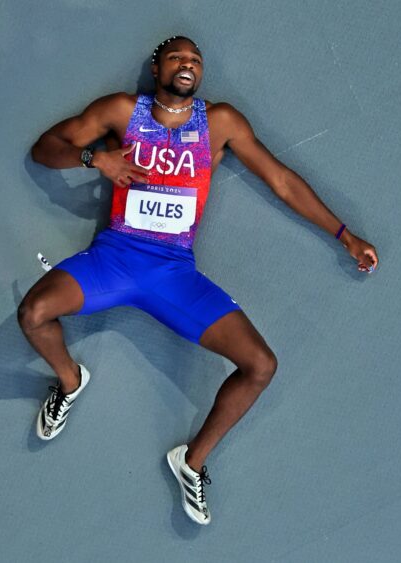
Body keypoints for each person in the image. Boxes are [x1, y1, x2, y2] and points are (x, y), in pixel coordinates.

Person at [19, 36, 378, 525]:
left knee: (260, 365)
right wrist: (94, 159)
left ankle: (191, 462)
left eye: (195, 60)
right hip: (116, 259)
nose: (187, 65)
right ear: (157, 66)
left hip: (173, 272)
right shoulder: (122, 111)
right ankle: (70, 380)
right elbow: (46, 149)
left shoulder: (221, 123)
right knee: (33, 314)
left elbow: (281, 181)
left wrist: (344, 234)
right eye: (177, 58)